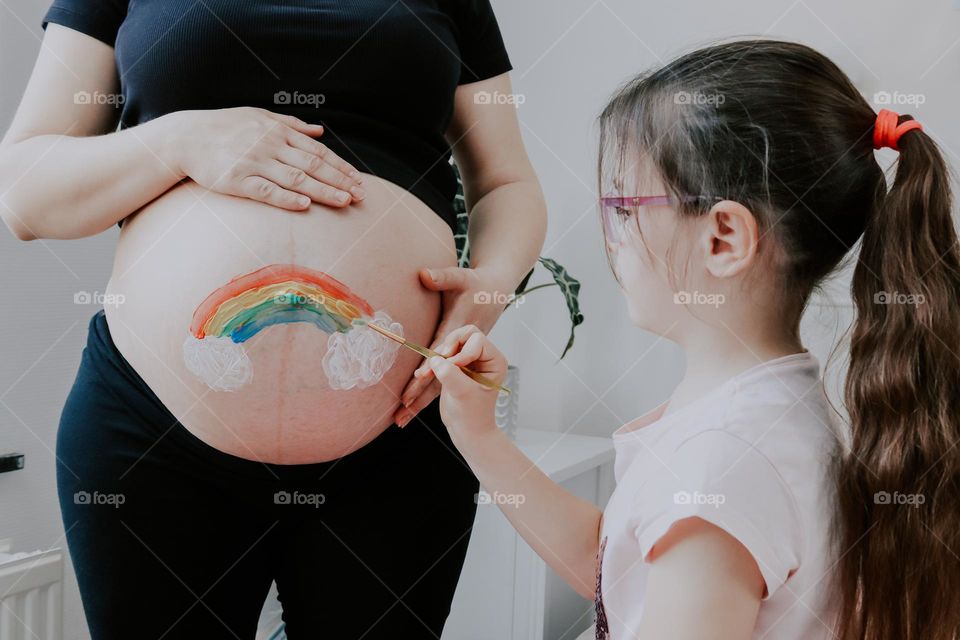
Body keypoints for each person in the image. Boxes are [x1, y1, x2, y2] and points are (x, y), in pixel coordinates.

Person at [0, 1, 546, 638]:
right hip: (152, 431)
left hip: (403, 425)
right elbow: (24, 196)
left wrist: (496, 283)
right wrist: (178, 140)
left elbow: (506, 181)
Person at [423, 39, 960, 640]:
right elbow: (613, 565)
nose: (612, 238)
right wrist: (480, 434)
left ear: (724, 238)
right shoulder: (747, 416)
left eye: (624, 206)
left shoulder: (724, 462)